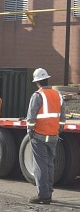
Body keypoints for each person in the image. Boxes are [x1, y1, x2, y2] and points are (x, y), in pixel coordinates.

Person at [26, 68, 66, 205]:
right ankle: (48, 191)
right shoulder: (58, 95)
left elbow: (31, 117)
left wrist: (30, 131)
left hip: (39, 135)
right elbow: (62, 117)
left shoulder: (37, 95)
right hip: (53, 135)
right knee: (49, 164)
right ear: (47, 79)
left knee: (40, 165)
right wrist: (59, 129)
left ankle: (43, 196)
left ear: (37, 82)